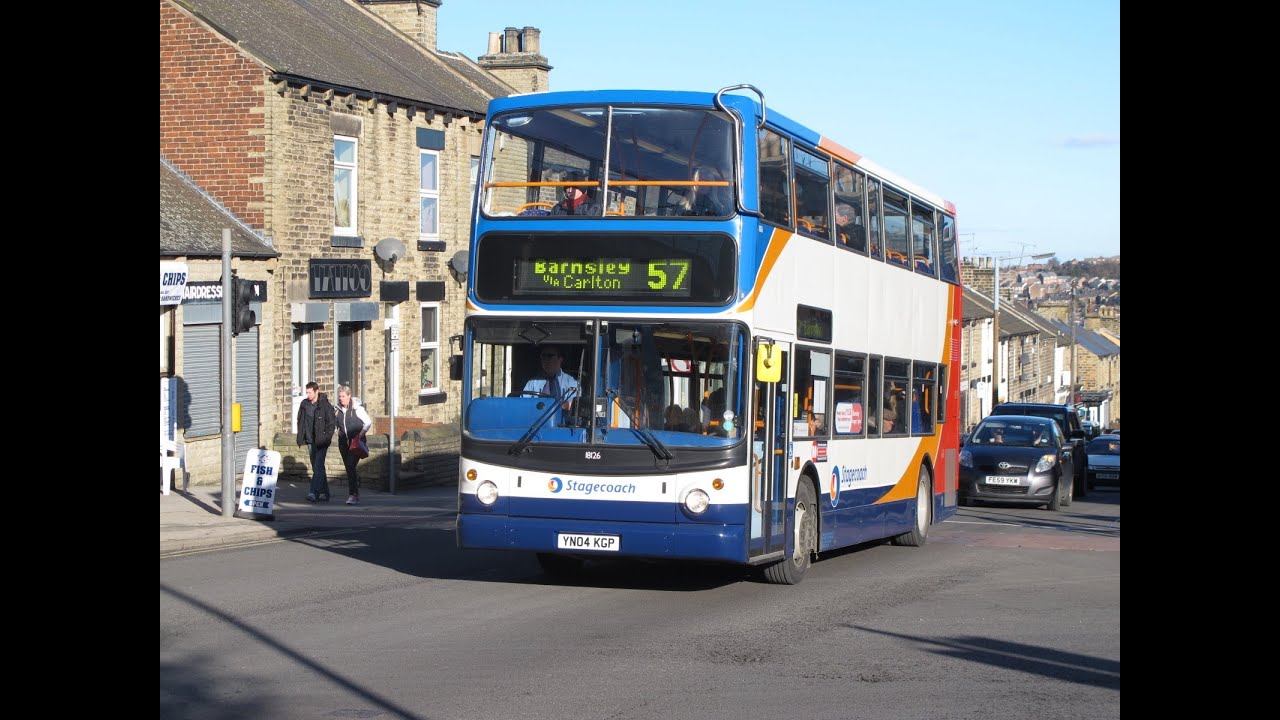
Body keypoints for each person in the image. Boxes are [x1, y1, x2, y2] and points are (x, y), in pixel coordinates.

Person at [296, 381, 336, 502]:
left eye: (309, 392)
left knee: (318, 465)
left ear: (316, 391)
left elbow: (331, 424)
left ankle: (314, 492)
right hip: (310, 440)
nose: (307, 395)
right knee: (317, 467)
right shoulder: (304, 404)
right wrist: (301, 435)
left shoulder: (325, 406)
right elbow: (300, 420)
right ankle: (325, 493)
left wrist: (326, 437)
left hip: (321, 441)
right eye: (306, 392)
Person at [335, 384, 373, 505]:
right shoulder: (337, 410)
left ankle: (353, 495)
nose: (341, 398)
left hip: (355, 442)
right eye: (339, 396)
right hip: (343, 443)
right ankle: (355, 492)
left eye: (343, 396)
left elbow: (368, 423)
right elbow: (336, 424)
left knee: (351, 465)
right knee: (349, 468)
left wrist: (360, 435)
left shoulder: (357, 409)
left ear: (349, 396)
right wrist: (337, 431)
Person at [523, 345, 580, 411]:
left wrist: (562, 405)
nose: (546, 360)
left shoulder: (572, 383)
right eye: (543, 356)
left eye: (550, 356)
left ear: (560, 359)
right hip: (537, 420)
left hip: (563, 420)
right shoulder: (532, 383)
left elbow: (576, 407)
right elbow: (523, 404)